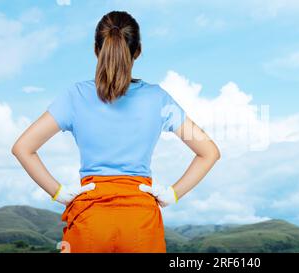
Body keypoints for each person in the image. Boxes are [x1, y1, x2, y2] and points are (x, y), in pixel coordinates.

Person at [11, 11, 220, 253]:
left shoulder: (74, 96)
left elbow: (23, 148)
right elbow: (209, 152)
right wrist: (172, 194)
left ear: (95, 49)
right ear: (138, 51)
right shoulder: (158, 98)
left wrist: (58, 192)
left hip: (90, 218)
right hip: (141, 221)